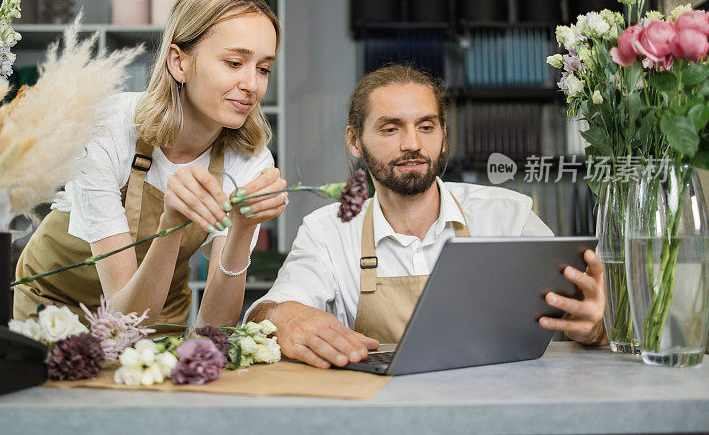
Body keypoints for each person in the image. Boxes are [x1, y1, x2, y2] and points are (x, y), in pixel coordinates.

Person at [246, 64, 606, 369]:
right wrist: (282, 317)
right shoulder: (327, 231)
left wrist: (595, 327)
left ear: (444, 136)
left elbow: (583, 310)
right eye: (391, 128)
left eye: (427, 126)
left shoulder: (508, 215)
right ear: (355, 141)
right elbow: (270, 310)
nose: (412, 144)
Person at [14, 0, 288, 329]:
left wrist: (242, 230)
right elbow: (122, 314)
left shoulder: (250, 159)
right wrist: (170, 225)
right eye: (235, 63)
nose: (252, 85)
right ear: (178, 63)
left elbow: (215, 327)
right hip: (55, 307)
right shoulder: (106, 126)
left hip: (158, 314)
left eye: (263, 69)